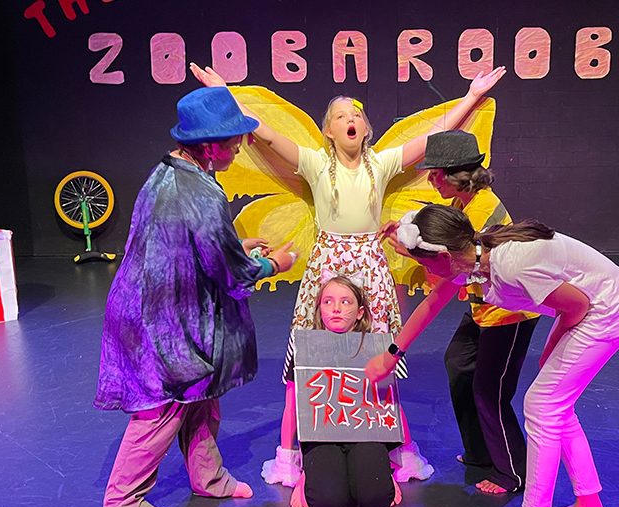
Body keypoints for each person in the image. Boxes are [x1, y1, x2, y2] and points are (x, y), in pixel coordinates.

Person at [190, 62, 507, 484]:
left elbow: (433, 139)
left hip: (370, 266)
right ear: (328, 132)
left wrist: (470, 97)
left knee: (377, 356)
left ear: (367, 128)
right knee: (309, 355)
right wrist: (226, 94)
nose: (350, 119)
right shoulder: (315, 164)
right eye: (340, 116)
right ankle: (290, 451)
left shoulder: (383, 164)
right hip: (327, 266)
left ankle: (396, 449)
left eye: (356, 114)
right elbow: (264, 133)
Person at [366, 204, 619, 507]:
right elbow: (433, 303)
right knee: (556, 406)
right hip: (593, 306)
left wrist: (552, 348)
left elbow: (577, 306)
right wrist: (393, 354)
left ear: (446, 256)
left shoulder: (511, 266)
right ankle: (589, 504)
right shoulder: (472, 256)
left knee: (542, 406)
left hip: (607, 311)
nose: (425, 272)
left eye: (424, 263)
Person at [94, 87, 297, 507]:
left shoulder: (167, 172)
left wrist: (232, 243)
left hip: (163, 304)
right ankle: (123, 498)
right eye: (232, 141)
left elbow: (182, 243)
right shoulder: (203, 193)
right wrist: (271, 264)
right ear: (208, 146)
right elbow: (230, 272)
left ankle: (209, 476)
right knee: (164, 407)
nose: (238, 148)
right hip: (164, 318)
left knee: (202, 396)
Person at [383, 130, 540, 494]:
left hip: (509, 312)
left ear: (455, 175)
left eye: (435, 173)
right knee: (458, 362)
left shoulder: (483, 210)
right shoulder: (464, 203)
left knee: (490, 390)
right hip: (482, 305)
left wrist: (408, 252)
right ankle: (480, 451)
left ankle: (513, 472)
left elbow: (457, 268)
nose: (431, 179)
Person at [288, 273, 402, 507]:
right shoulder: (306, 348)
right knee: (327, 503)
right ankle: (312, 473)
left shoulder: (376, 348)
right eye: (327, 301)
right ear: (319, 308)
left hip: (365, 432)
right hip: (322, 436)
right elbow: (294, 404)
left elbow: (389, 403)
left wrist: (394, 459)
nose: (336, 309)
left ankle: (375, 472)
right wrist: (292, 459)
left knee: (376, 497)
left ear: (360, 312)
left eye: (345, 302)